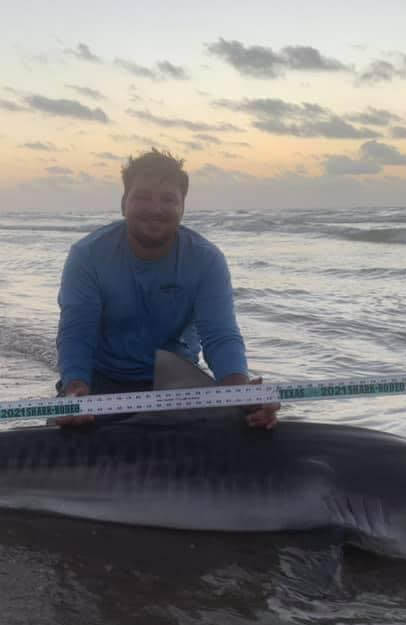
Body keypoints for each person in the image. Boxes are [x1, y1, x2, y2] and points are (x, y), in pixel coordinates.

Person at [55, 149, 279, 429]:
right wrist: (74, 388)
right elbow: (76, 333)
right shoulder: (87, 255)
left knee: (248, 433)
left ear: (183, 207)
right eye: (143, 197)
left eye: (168, 199)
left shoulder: (206, 260)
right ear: (124, 203)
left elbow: (220, 335)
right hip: (102, 382)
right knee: (62, 446)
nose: (155, 208)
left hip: (178, 383)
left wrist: (240, 392)